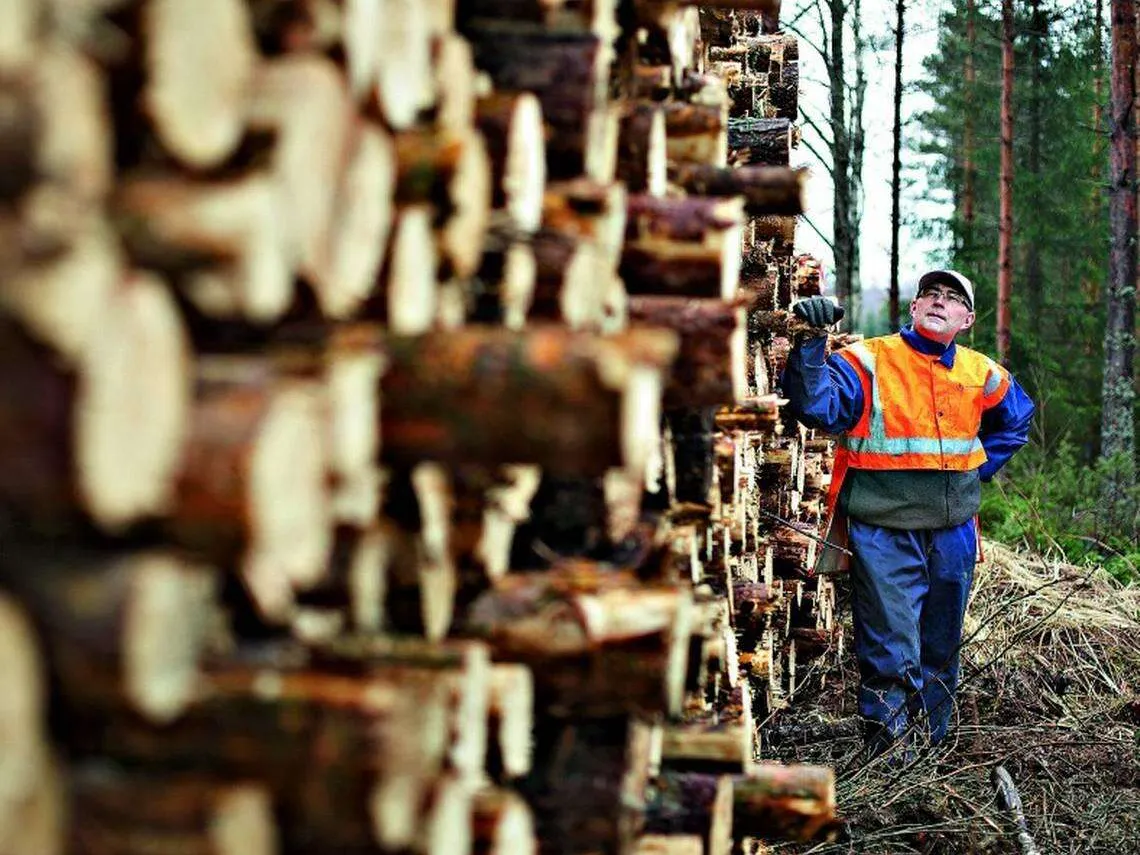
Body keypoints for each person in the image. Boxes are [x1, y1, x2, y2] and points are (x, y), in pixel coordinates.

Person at [781, 270, 1035, 761]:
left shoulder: (981, 372)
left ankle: (933, 751)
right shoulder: (868, 360)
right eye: (931, 295)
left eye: (953, 298)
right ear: (914, 308)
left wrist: (976, 470)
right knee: (892, 648)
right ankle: (889, 761)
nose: (940, 302)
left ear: (967, 319)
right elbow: (817, 407)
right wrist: (812, 343)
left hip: (954, 532)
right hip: (884, 529)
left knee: (940, 646)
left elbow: (1018, 419)